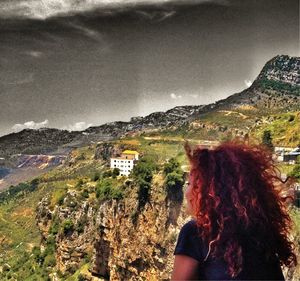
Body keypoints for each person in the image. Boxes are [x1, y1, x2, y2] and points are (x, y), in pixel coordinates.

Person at [172, 141, 297, 280]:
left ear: (214, 193)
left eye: (194, 185)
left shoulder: (196, 232)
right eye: (188, 184)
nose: (187, 192)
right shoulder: (261, 234)